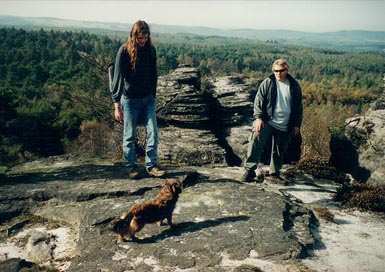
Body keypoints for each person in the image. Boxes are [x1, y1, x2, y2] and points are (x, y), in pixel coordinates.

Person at [111, 20, 165, 179]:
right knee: (129, 135)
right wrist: (116, 105)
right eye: (140, 38)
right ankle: (131, 167)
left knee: (153, 132)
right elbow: (117, 78)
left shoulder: (150, 50)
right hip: (130, 100)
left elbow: (153, 74)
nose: (143, 41)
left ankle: (151, 165)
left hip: (147, 99)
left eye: (145, 37)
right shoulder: (124, 51)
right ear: (133, 36)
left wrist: (153, 95)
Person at [241, 59, 303, 182]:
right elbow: (259, 100)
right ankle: (249, 171)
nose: (278, 73)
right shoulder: (268, 82)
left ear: (287, 70)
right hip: (268, 120)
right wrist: (258, 118)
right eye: (276, 71)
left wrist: (297, 124)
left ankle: (274, 174)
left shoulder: (294, 85)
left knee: (279, 150)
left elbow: (298, 106)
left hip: (286, 123)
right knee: (256, 140)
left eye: (281, 70)